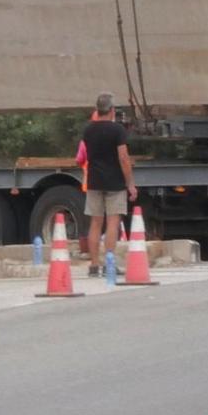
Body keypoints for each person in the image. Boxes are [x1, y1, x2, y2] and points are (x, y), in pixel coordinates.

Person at [78, 92, 136, 278]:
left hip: (94, 181)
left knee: (95, 223)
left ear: (97, 110)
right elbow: (123, 158)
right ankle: (110, 263)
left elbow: (86, 155)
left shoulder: (88, 130)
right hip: (115, 183)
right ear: (111, 110)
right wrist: (130, 184)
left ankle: (94, 265)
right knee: (113, 222)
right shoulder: (117, 131)